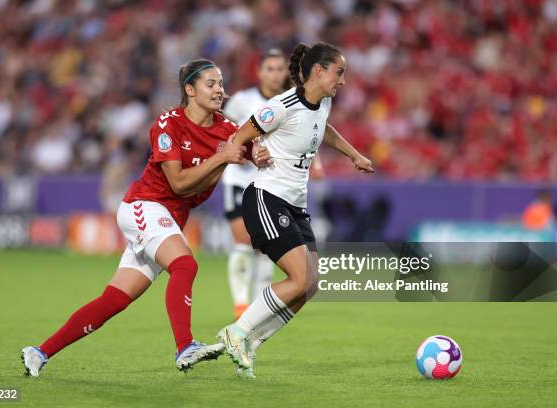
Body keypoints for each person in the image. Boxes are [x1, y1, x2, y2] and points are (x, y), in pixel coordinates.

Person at [21, 59, 272, 377]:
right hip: (144, 206)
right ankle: (185, 347)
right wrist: (221, 157)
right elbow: (179, 183)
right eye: (211, 83)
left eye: (221, 83)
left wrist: (261, 156)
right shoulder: (168, 124)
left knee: (113, 300)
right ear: (190, 90)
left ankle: (39, 352)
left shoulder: (227, 129)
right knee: (185, 264)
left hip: (167, 217)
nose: (220, 89)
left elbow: (255, 152)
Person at [217, 43, 374, 378]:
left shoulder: (324, 102)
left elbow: (324, 129)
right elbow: (237, 137)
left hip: (295, 204)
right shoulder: (281, 106)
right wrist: (254, 151)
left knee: (311, 285)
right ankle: (236, 331)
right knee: (299, 278)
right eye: (339, 72)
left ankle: (252, 343)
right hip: (266, 197)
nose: (342, 80)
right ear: (319, 71)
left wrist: (354, 155)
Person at [222, 48, 325, 319]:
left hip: (275, 181)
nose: (276, 74)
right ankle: (241, 305)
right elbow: (226, 130)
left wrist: (317, 162)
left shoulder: (295, 100)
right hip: (240, 178)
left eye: (280, 68)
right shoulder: (243, 100)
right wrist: (248, 150)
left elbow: (307, 133)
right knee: (243, 242)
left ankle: (260, 304)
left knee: (266, 250)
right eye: (270, 68)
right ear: (259, 72)